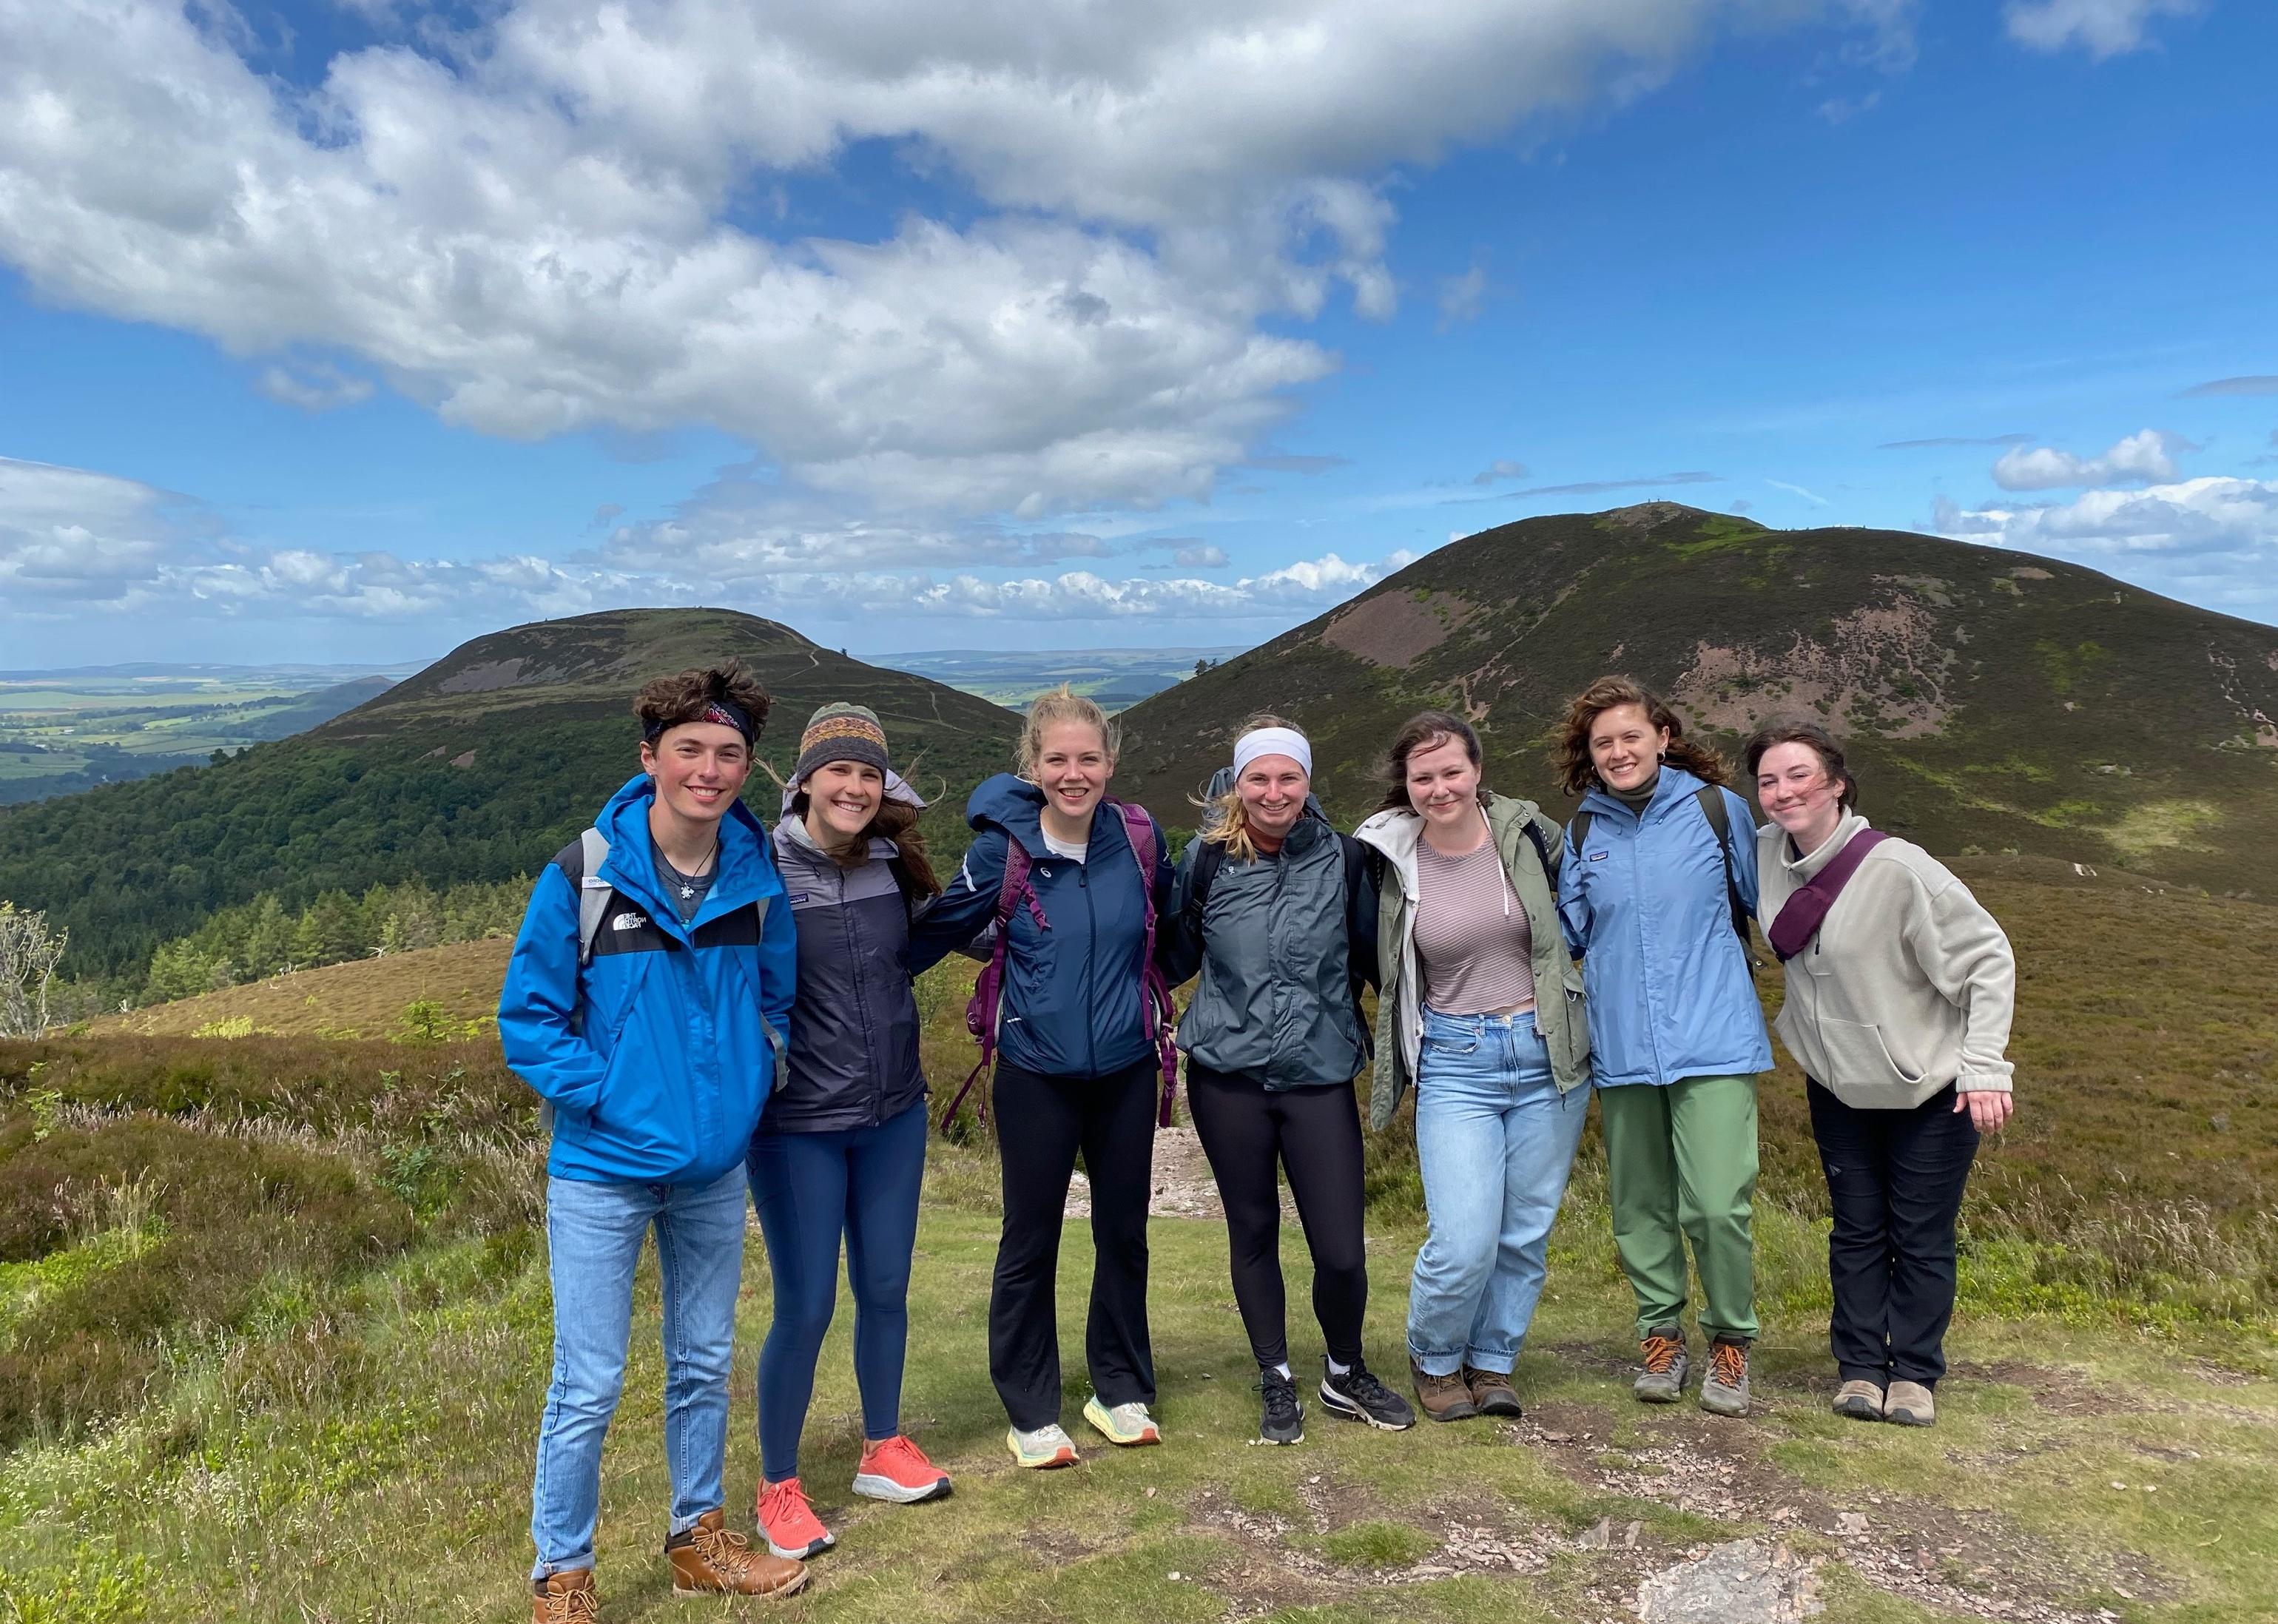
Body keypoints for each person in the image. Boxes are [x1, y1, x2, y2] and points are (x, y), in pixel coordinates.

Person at [499, 661, 807, 1620]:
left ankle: (696, 1540)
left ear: (745, 766)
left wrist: (753, 1080)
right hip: (601, 1168)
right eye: (689, 750)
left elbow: (774, 999)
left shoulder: (756, 877)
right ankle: (564, 1574)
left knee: (702, 1359)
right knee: (587, 1380)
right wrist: (613, 1098)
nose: (708, 769)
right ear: (651, 756)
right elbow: (530, 1019)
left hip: (713, 1168)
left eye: (727, 753)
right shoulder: (584, 872)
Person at [908, 687, 1176, 1469]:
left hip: (1125, 1065)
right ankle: (1031, 1408)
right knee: (1031, 1235)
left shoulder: (1139, 838)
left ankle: (1117, 1387)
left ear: (1109, 764)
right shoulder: (1002, 851)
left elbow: (1170, 929)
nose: (1073, 772)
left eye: (1087, 758)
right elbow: (938, 930)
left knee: (1123, 1231)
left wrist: (1144, 1000)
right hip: (1033, 1069)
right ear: (1031, 765)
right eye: (1056, 758)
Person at [1747, 720, 2016, 1429]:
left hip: (1927, 1087)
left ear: (1835, 783)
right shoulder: (1765, 853)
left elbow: (1988, 960)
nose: (1782, 792)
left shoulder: (1897, 869)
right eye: (1768, 780)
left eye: (1799, 775)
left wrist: (1985, 1067)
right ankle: (1861, 1369)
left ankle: (1915, 1374)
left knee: (1919, 1234)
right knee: (1856, 1229)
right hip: (1838, 1086)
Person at [1159, 717, 1417, 1444]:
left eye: (1288, 777)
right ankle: (1274, 1377)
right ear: (1238, 785)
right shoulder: (1205, 861)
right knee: (1253, 1229)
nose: (1273, 792)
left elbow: (1379, 957)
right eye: (1258, 778)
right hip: (1226, 1076)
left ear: (1307, 782)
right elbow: (1174, 952)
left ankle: (1344, 1370)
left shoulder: (1342, 859)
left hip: (1318, 1072)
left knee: (1339, 1245)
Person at [747, 704, 954, 1561]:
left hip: (894, 1110)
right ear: (805, 780)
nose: (854, 787)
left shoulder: (891, 863)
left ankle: (882, 1447)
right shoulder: (755, 863)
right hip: (797, 1121)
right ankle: (777, 1486)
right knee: (806, 1303)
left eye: (869, 773)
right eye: (839, 770)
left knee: (886, 1285)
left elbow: (917, 949)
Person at [1356, 710, 1594, 1423]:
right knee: (1462, 1236)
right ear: (1405, 784)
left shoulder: (1527, 833)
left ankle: (1492, 1361)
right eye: (1422, 776)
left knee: (1523, 1229)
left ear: (1477, 770)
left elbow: (1589, 910)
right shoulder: (1385, 856)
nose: (1439, 787)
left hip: (1546, 1049)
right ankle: (1434, 1356)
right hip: (1455, 1059)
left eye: (1451, 771)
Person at [1554, 677, 1770, 1419]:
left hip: (1714, 1038)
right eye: (1602, 742)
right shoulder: (1583, 831)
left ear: (1662, 736)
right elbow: (1570, 935)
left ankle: (1731, 1340)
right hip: (1621, 1045)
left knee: (1715, 1204)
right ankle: (1660, 1334)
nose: (1618, 751)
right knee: (1638, 1203)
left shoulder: (1718, 812)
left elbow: (1764, 898)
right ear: (1590, 754)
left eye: (1629, 736)